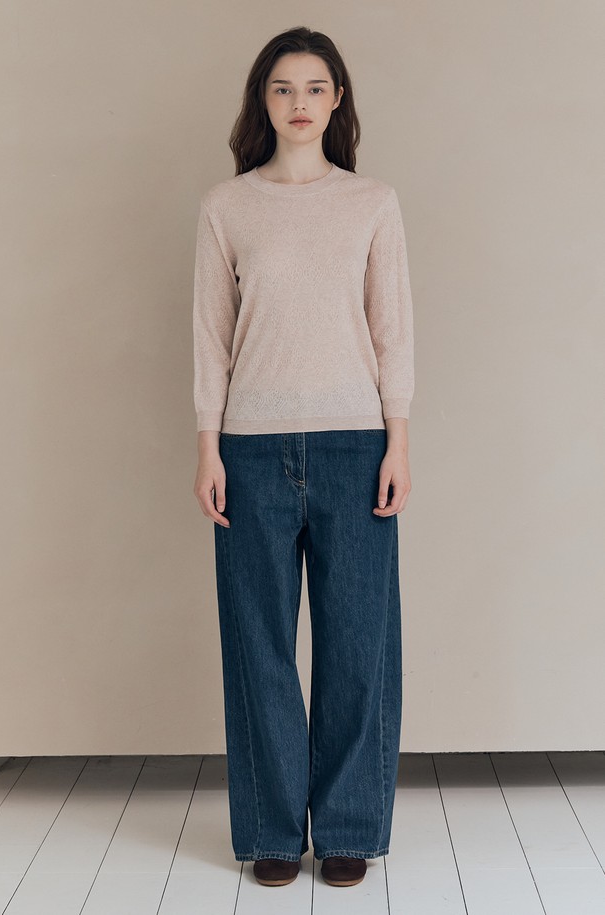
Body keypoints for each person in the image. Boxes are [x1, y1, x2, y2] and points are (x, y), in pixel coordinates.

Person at [192, 26, 414, 889]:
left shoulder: (373, 203)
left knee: (359, 643)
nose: (299, 103)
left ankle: (351, 825)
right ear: (264, 100)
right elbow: (210, 338)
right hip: (248, 450)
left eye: (315, 88)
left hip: (357, 443)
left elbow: (393, 329)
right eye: (283, 88)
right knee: (259, 647)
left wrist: (398, 440)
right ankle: (273, 832)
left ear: (337, 101)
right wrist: (207, 446)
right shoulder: (227, 206)